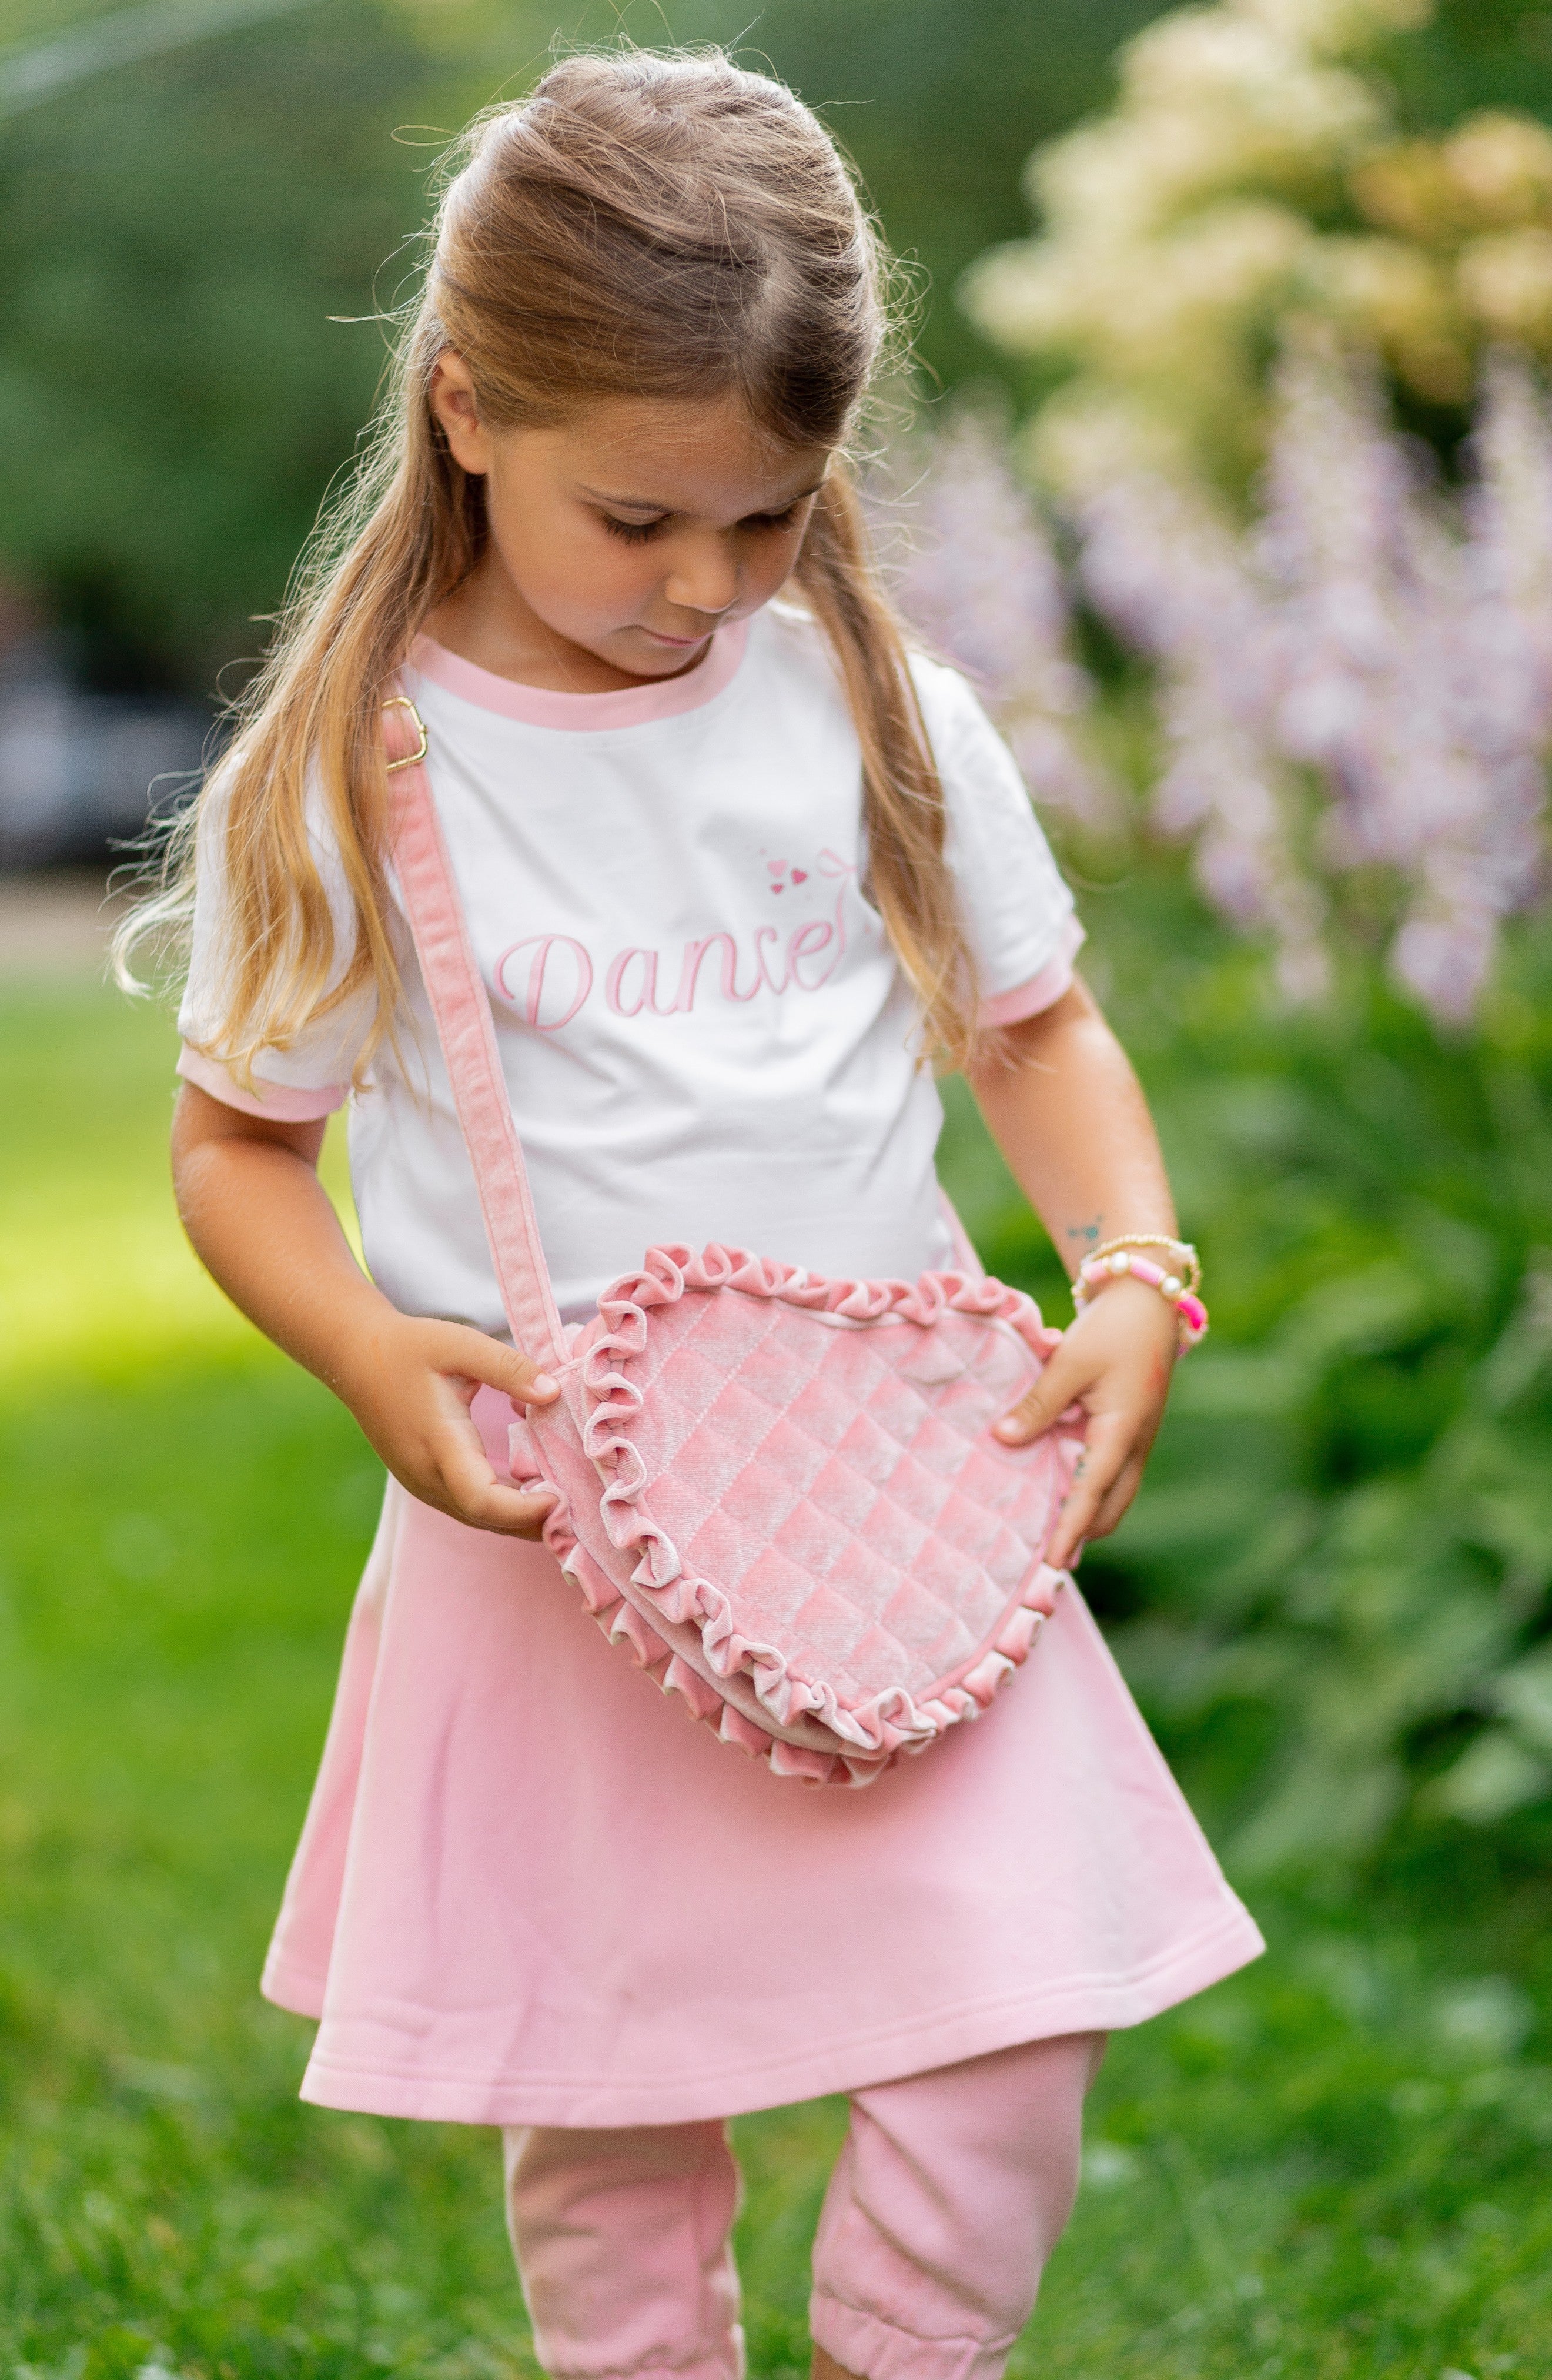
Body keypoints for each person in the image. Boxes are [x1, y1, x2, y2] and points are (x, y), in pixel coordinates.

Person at [123, 49, 1263, 2380]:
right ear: (464, 410)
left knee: (1013, 2027)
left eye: (766, 517)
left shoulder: (866, 699)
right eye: (637, 518)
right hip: (555, 1524)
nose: (705, 585)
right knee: (617, 2098)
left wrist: (1131, 1264)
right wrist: (368, 1352)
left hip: (901, 1498)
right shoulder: (363, 778)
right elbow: (239, 1148)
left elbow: (1029, 1027)